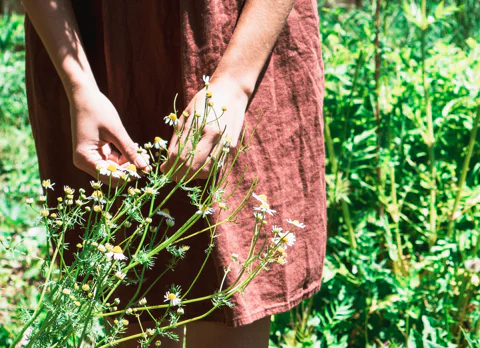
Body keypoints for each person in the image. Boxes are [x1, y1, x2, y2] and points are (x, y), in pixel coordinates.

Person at [21, 0, 326, 347]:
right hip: (87, 45)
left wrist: (234, 83)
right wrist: (79, 84)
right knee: (125, 288)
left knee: (225, 292)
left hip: (238, 36)